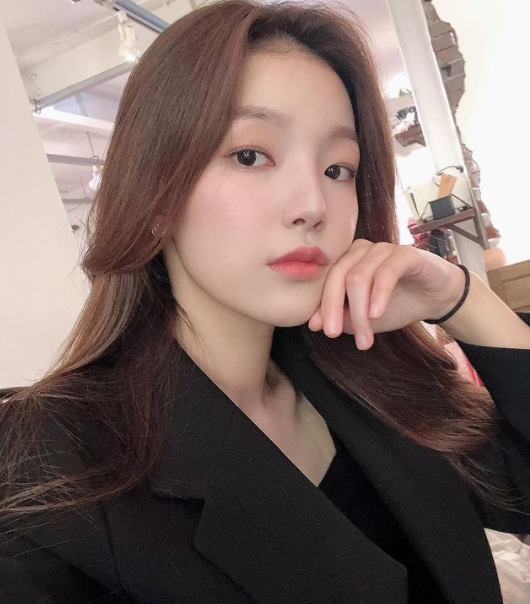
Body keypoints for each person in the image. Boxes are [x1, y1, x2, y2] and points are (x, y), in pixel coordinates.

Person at [1, 1, 530, 602]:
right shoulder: (49, 461)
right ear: (154, 195)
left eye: (338, 169)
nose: (312, 205)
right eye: (250, 155)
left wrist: (461, 298)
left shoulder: (370, 377)